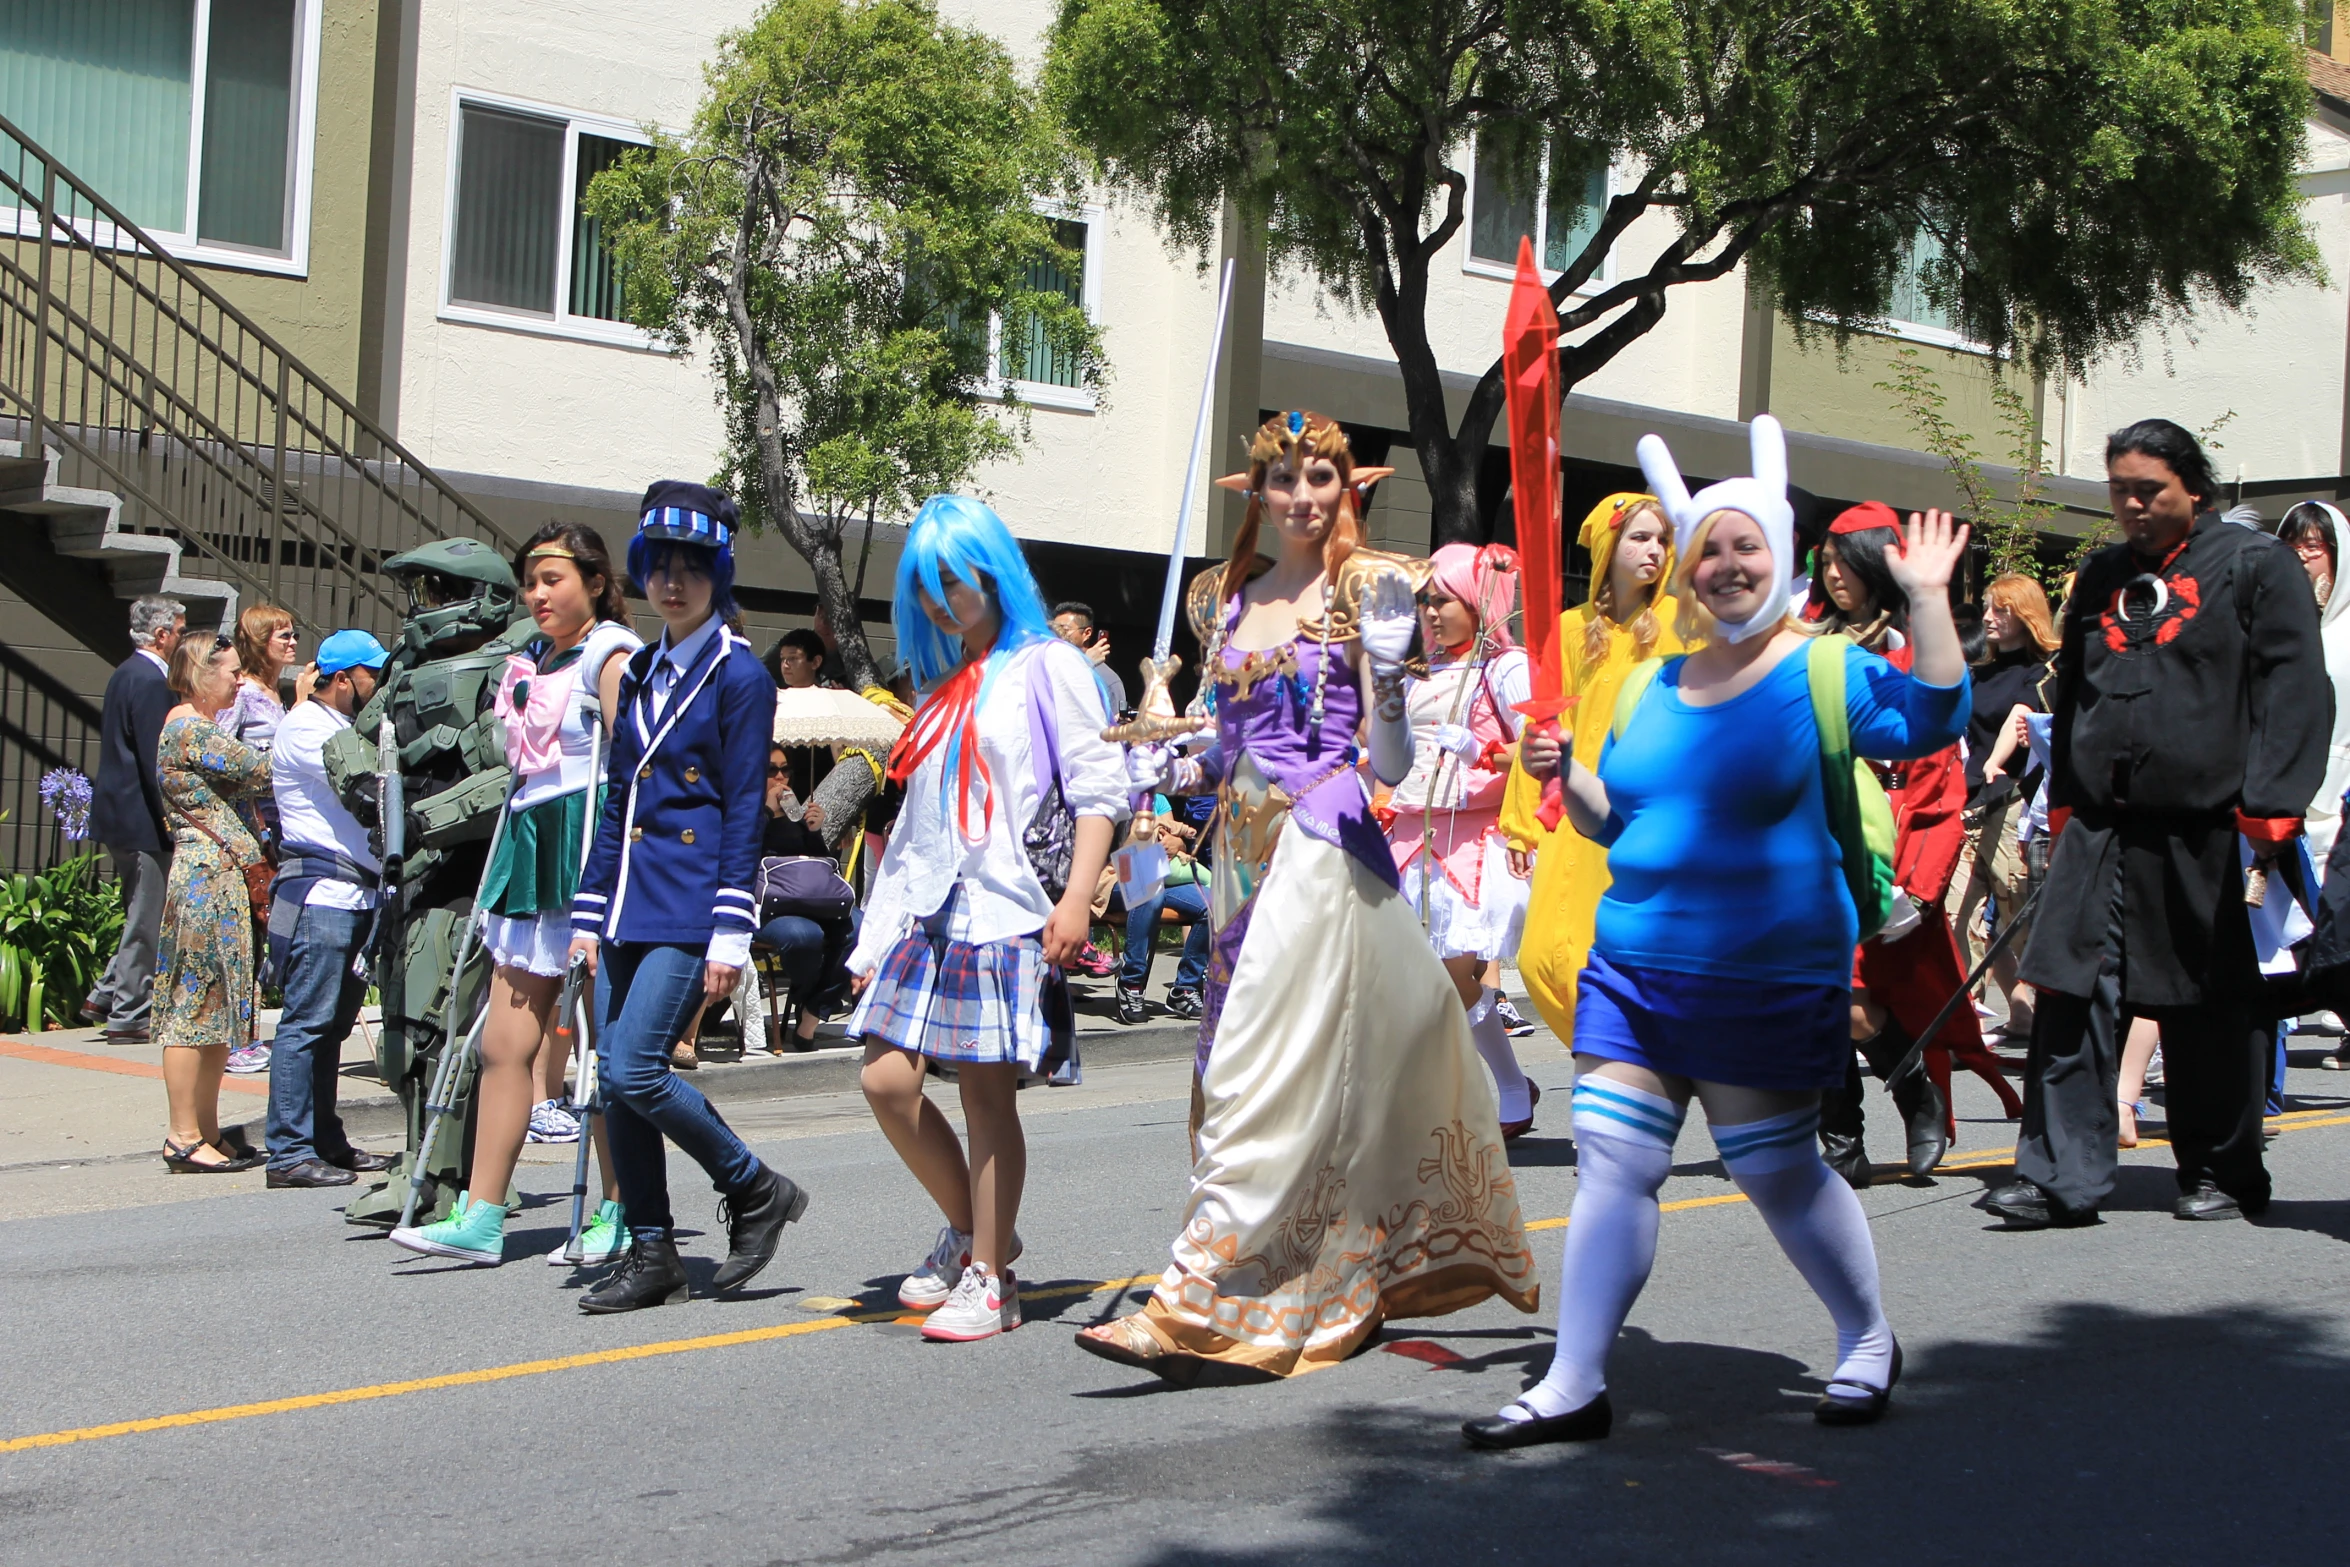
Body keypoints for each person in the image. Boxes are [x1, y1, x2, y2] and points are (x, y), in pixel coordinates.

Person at [1464, 416, 1971, 1449]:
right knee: (1612, 1161)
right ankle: (1574, 1379)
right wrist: (1570, 780)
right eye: (1710, 550)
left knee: (1775, 1169)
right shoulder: (1652, 682)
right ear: (1689, 573)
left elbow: (1932, 719)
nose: (1726, 564)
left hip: (1762, 971)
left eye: (1746, 545)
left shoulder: (1820, 671)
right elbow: (1621, 820)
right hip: (1635, 964)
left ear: (1776, 556)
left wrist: (1925, 601)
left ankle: (1866, 1334)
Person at [1078, 410, 1537, 1382]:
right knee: (1236, 1069)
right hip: (1238, 856)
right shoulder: (1226, 602)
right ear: (1258, 492)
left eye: (1320, 477)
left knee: (1258, 1072)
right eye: (1283, 479)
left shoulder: (1370, 591)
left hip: (1320, 845)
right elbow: (1221, 751)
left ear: (1347, 487)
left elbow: (1390, 761)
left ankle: (1187, 1297)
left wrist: (1380, 676)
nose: (1301, 496)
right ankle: (1330, 1269)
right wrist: (1171, 757)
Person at [1982, 420, 2329, 1229]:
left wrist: (2274, 802)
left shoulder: (2253, 566)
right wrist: (2063, 794)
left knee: (2207, 1000)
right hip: (2100, 823)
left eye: (2149, 491)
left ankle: (2221, 1166)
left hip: (2208, 823)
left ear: (2192, 488)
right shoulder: (2102, 574)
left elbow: (2296, 689)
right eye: (2120, 492)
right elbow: (2074, 698)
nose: (2132, 506)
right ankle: (2058, 1176)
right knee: (2069, 988)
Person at [845, 496, 1124, 1343]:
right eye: (925, 586)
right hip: (931, 911)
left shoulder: (1049, 665)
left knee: (984, 1097)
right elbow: (919, 826)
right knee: (885, 1079)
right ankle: (976, 1232)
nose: (940, 599)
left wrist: (1077, 896)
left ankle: (989, 1275)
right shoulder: (944, 686)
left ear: (992, 570)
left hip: (1009, 909)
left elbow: (1097, 785)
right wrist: (876, 932)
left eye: (952, 579)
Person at [566, 482, 806, 1312]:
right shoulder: (639, 672)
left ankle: (754, 1185)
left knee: (636, 1065)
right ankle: (653, 1246)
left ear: (718, 575)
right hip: (628, 902)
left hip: (692, 904)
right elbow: (618, 801)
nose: (674, 583)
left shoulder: (740, 675)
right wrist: (589, 914)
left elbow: (744, 810)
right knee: (610, 1076)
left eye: (692, 568)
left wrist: (730, 935)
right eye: (660, 567)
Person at [390, 523, 640, 1266]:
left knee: (603, 1044)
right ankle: (483, 1211)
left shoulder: (611, 653)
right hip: (530, 840)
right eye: (530, 580)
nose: (537, 593)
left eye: (553, 579)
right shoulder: (525, 658)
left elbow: (635, 764)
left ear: (593, 583)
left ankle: (623, 1209)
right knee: (504, 1039)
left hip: (588, 843)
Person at [321, 538, 538, 1229]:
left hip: (470, 870)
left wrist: (428, 818)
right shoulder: (409, 665)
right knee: (401, 1034)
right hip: (410, 868)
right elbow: (352, 736)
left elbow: (516, 770)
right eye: (423, 592)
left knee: (443, 1026)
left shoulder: (514, 662)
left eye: (439, 591)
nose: (427, 607)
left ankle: (443, 1178)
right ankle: (418, 1161)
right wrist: (365, 784)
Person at [1805, 504, 2024, 1186]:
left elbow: (1937, 788)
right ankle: (1843, 1139)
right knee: (1816, 1005)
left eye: (1847, 556)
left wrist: (1921, 888)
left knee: (1854, 1004)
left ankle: (1911, 1091)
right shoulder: (1802, 648)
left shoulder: (1911, 654)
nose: (1833, 570)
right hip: (1807, 857)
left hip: (1883, 867)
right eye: (1827, 558)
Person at [1500, 495, 1683, 1053]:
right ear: (1608, 548)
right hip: (1571, 815)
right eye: (1639, 538)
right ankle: (1617, 1066)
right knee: (1539, 960)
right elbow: (1545, 727)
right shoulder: (1568, 629)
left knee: (1604, 954)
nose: (1653, 550)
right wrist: (1521, 823)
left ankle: (1623, 1082)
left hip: (1641, 817)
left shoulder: (1681, 622)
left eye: (1661, 539)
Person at [1387, 542, 1538, 1135]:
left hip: (1476, 840)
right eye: (1424, 601)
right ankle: (1488, 1091)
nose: (1429, 612)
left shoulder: (1505, 668)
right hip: (1409, 835)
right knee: (1420, 977)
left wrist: (1485, 753)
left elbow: (1544, 747)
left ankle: (1505, 1088)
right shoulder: (1417, 671)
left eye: (1442, 600)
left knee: (1449, 971)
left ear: (1477, 601)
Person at [263, 630, 397, 1189]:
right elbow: (371, 788)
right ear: (344, 678)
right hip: (322, 897)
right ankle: (288, 1151)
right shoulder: (307, 729)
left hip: (353, 895)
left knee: (332, 1027)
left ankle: (323, 1138)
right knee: (307, 1025)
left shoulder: (341, 726)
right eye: (373, 675)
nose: (380, 684)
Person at [153, 634, 272, 1172]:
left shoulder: (199, 725)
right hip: (206, 883)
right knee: (192, 1008)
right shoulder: (189, 729)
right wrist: (297, 707)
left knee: (218, 1010)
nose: (239, 679)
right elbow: (261, 769)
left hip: (221, 881)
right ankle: (181, 1134)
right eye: (231, 671)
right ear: (203, 672)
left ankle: (204, 1129)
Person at [1951, 574, 2060, 1040]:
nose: (1991, 618)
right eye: (1989, 609)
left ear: (2026, 615)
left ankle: (2025, 1010)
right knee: (1951, 913)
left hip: (2015, 800)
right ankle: (1958, 1019)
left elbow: (2023, 721)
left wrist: (1998, 763)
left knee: (2015, 916)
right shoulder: (1980, 672)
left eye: (2003, 610)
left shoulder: (2046, 672)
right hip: (1971, 800)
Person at [84, 594, 185, 1044]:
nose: (183, 640)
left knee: (138, 912)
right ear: (162, 635)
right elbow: (153, 758)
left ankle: (106, 993)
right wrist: (172, 818)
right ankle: (129, 1012)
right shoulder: (149, 681)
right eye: (181, 632)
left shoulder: (125, 672)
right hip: (143, 818)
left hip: (120, 815)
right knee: (148, 918)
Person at [2276, 503, 2350, 1065]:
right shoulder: (2277, 621)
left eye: (2315, 545)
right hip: (2289, 785)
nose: (2304, 556)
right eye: (2295, 545)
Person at [217, 603, 303, 1076]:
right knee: (255, 925)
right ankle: (236, 1037)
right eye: (281, 636)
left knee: (279, 924)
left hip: (287, 823)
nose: (291, 642)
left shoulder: (279, 692)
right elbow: (224, 754)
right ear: (257, 640)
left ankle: (255, 1030)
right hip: (259, 825)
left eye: (292, 634)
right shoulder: (244, 695)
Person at [755, 742, 866, 1050]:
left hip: (811, 899)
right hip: (772, 903)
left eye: (785, 770)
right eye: (771, 771)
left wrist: (815, 831)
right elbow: (741, 851)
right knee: (805, 937)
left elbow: (814, 863)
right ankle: (805, 994)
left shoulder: (795, 814)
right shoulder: (746, 812)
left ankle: (812, 1013)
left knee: (859, 930)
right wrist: (766, 810)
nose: (781, 778)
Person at [1050, 600, 1129, 717]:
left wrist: (1086, 664)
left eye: (1064, 629)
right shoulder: (1049, 664)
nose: (1057, 635)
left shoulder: (1107, 679)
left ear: (1087, 633)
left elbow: (1116, 724)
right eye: (1053, 630)